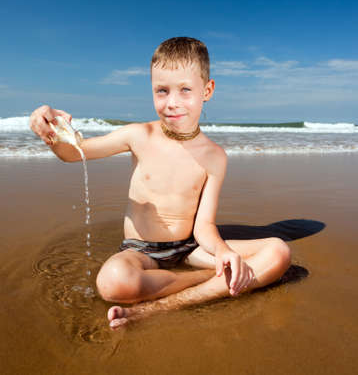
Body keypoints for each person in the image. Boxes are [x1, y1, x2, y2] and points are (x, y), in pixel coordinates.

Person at [30, 37, 291, 329]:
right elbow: (74, 153)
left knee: (278, 252)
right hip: (141, 252)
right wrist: (51, 131)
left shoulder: (215, 157)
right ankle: (207, 280)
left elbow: (204, 225)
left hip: (191, 249)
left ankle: (164, 305)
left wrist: (222, 252)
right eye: (162, 91)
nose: (172, 103)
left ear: (207, 90)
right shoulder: (139, 135)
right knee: (112, 283)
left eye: (185, 90)